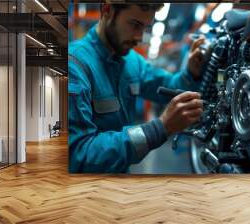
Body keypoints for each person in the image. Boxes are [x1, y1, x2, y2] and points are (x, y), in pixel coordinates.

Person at [68, 3, 205, 173]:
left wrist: (191, 72)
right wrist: (159, 128)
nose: (139, 38)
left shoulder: (133, 62)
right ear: (107, 11)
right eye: (134, 25)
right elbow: (78, 154)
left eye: (145, 27)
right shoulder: (75, 65)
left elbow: (169, 87)